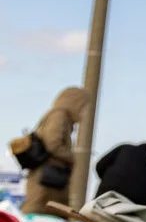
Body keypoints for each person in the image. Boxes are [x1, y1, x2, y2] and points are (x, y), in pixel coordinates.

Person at [8, 86, 89, 215]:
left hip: (51, 176)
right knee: (39, 211)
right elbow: (53, 144)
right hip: (47, 176)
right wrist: (71, 157)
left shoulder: (62, 116)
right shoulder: (59, 114)